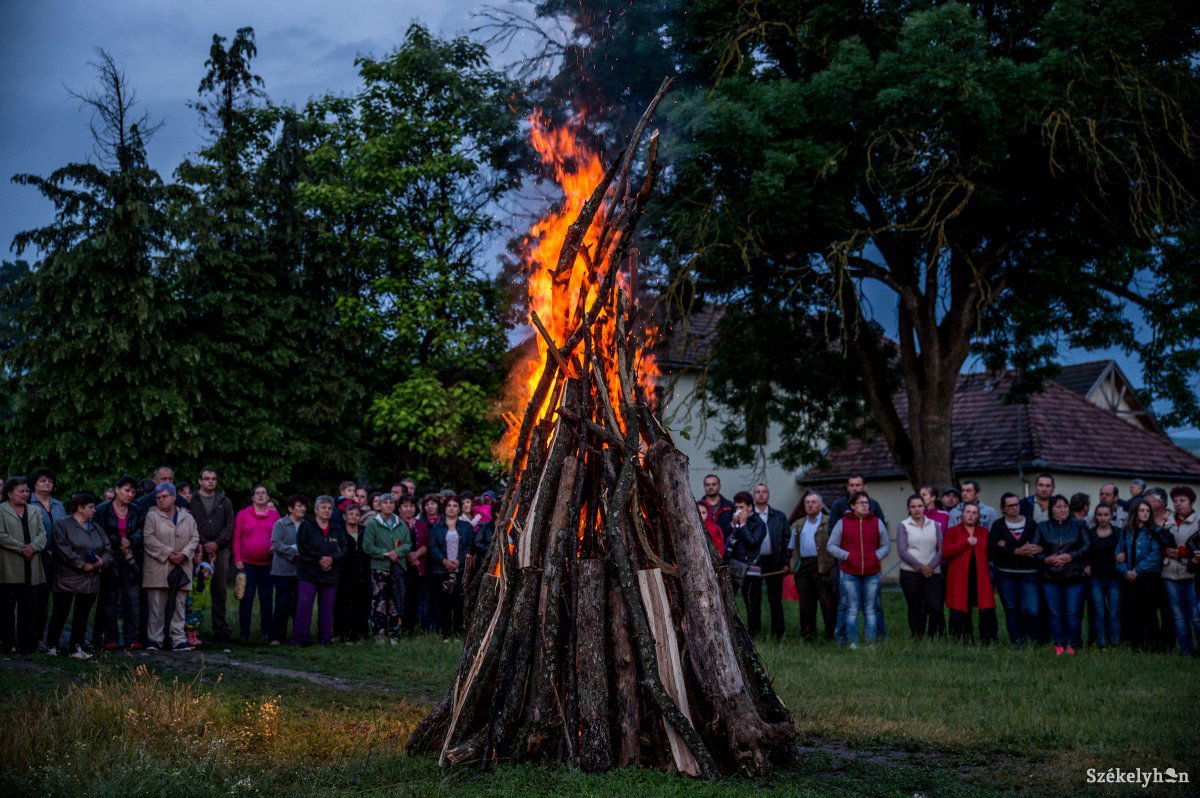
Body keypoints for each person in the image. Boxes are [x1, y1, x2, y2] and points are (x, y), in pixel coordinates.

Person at [45, 493, 111, 658]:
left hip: (90, 579)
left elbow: (108, 549)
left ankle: (76, 647)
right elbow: (62, 548)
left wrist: (99, 562)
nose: (94, 510)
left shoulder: (96, 527)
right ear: (80, 508)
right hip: (66, 577)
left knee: (82, 615)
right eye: (91, 507)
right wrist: (82, 564)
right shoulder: (62, 525)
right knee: (60, 613)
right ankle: (52, 645)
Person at [828, 476, 888, 643]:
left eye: (866, 502)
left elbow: (884, 544)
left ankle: (874, 641)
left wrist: (875, 556)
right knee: (849, 607)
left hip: (872, 570)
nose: (864, 505)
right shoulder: (841, 518)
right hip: (849, 570)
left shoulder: (876, 518)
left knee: (872, 608)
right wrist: (847, 556)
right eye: (860, 503)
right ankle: (847, 640)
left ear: (865, 487)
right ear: (852, 506)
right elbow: (831, 544)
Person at [142, 483, 199, 652]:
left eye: (164, 496)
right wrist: (169, 554)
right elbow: (148, 539)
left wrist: (184, 554)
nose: (160, 500)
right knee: (156, 606)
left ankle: (178, 639)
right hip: (158, 567)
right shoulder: (152, 516)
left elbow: (195, 538)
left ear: (173, 497)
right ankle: (154, 640)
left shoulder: (187, 517)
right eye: (158, 497)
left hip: (182, 566)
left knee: (179, 605)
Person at [1034, 495, 1090, 655]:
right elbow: (1034, 550)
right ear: (1051, 510)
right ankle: (1059, 643)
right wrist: (1046, 559)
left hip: (1074, 576)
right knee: (1055, 613)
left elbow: (1087, 545)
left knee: (1072, 613)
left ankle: (1073, 644)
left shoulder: (1079, 525)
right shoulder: (1042, 527)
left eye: (1065, 506)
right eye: (1058, 507)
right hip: (1050, 577)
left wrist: (1071, 556)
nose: (1063, 509)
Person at [94, 476, 145, 650]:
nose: (130, 494)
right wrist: (118, 540)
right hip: (110, 559)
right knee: (109, 600)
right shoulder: (102, 509)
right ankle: (109, 638)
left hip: (131, 558)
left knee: (132, 600)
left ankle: (132, 639)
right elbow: (99, 531)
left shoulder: (137, 510)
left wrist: (130, 541)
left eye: (133, 492)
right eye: (126, 490)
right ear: (117, 489)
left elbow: (142, 530)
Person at [0, 477, 48, 655]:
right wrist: (22, 548)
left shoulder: (35, 510)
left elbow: (42, 534)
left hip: (31, 565)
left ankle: (26, 644)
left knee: (29, 607)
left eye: (27, 491)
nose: (26, 494)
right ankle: (8, 643)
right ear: (10, 493)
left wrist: (32, 547)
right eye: (21, 491)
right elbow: (1, 535)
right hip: (9, 566)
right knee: (7, 608)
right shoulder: (1, 510)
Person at [989, 492, 1041, 647]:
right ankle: (1017, 641)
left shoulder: (1031, 524)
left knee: (1031, 609)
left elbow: (1037, 546)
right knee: (1011, 609)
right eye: (1010, 505)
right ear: (1003, 508)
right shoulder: (998, 525)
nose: (1014, 508)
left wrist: (1006, 546)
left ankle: (1031, 639)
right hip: (1005, 574)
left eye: (1016, 504)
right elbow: (993, 550)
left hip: (1029, 574)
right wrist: (1016, 551)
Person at [738, 483, 788, 641]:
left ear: (768, 494)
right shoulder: (748, 516)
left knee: (775, 599)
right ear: (754, 496)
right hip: (754, 561)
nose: (761, 494)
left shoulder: (778, 516)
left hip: (773, 561)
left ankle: (778, 633)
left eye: (764, 491)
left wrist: (785, 561)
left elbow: (786, 539)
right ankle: (754, 631)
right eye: (758, 492)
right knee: (753, 598)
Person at [293, 496, 346, 646]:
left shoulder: (337, 528)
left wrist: (331, 559)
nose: (327, 510)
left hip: (330, 574)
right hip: (308, 573)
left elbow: (343, 548)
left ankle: (325, 639)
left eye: (329, 508)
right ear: (316, 510)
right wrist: (320, 559)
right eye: (323, 507)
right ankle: (300, 639)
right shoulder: (306, 526)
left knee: (327, 608)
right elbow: (303, 547)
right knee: (304, 606)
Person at [191, 467, 235, 643]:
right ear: (200, 481)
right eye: (207, 478)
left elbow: (230, 525)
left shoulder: (224, 501)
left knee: (219, 590)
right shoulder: (192, 500)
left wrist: (216, 543)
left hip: (221, 549)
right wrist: (204, 543)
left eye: (213, 479)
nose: (210, 481)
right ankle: (192, 629)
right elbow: (189, 524)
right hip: (197, 548)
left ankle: (221, 630)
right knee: (196, 589)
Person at [787, 491, 837, 641]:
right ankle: (808, 635)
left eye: (813, 502)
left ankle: (831, 634)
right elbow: (792, 548)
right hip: (803, 566)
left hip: (823, 565)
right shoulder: (798, 524)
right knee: (806, 603)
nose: (810, 505)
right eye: (807, 502)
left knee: (827, 601)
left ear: (821, 505)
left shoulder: (829, 522)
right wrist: (792, 565)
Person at [943, 503, 996, 643]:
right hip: (959, 578)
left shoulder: (984, 532)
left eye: (974, 513)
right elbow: (946, 552)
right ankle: (961, 639)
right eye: (968, 512)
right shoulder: (953, 531)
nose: (971, 515)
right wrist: (966, 543)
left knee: (986, 609)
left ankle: (988, 639)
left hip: (980, 576)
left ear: (978, 516)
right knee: (959, 608)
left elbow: (991, 553)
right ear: (962, 515)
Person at [233, 486, 279, 644]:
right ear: (252, 498)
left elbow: (278, 536)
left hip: (268, 563)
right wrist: (238, 559)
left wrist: (275, 547)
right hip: (247, 563)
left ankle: (266, 631)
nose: (260, 495)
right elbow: (236, 537)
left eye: (263, 493)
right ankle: (244, 633)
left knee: (266, 598)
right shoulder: (243, 514)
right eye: (257, 493)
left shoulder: (274, 515)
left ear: (268, 497)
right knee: (247, 597)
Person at [1117, 498, 1165, 649]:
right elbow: (1119, 552)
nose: (1145, 513)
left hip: (1148, 577)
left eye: (1147, 511)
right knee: (1131, 609)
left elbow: (1155, 555)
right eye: (1141, 510)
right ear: (1135, 512)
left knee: (1149, 611)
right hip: (1129, 577)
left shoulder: (1154, 530)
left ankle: (1152, 643)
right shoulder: (1126, 530)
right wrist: (1125, 571)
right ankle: (1134, 643)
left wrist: (1137, 571)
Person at [362, 494, 411, 641]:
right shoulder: (373, 524)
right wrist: (386, 554)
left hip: (397, 568)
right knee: (379, 602)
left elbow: (408, 544)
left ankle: (393, 633)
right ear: (380, 505)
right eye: (385, 502)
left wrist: (397, 552)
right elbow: (367, 546)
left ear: (395, 506)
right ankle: (379, 634)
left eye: (391, 502)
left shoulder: (401, 523)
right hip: (379, 568)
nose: (388, 505)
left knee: (395, 600)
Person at [896, 494, 944, 639]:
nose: (917, 509)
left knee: (935, 606)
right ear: (908, 509)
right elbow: (902, 551)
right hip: (910, 573)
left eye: (919, 506)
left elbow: (942, 548)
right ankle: (917, 637)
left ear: (924, 507)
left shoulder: (934, 524)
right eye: (913, 507)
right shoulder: (903, 525)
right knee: (916, 606)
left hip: (933, 572)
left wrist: (931, 566)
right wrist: (921, 567)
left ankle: (934, 637)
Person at [429, 495, 474, 641]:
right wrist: (445, 561)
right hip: (442, 569)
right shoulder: (436, 527)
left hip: (460, 569)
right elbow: (433, 547)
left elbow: (469, 546)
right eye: (449, 505)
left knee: (459, 602)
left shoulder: (466, 527)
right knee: (444, 602)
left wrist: (459, 561)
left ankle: (459, 632)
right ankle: (446, 633)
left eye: (455, 506)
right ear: (444, 508)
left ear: (459, 509)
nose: (451, 508)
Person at [1161, 486, 1199, 656]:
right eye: (1175, 501)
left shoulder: (1198, 522)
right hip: (1169, 573)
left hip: (1192, 574)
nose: (1178, 504)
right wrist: (1166, 551)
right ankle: (1186, 651)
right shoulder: (1166, 522)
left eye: (1182, 500)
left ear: (1191, 502)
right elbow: (1160, 544)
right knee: (1178, 615)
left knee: (1196, 615)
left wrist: (1183, 553)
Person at [269, 495, 305, 645]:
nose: (303, 509)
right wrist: (294, 552)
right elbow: (276, 544)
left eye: (304, 506)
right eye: (299, 506)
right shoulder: (280, 524)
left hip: (301, 572)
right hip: (282, 571)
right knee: (282, 604)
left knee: (299, 605)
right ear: (290, 508)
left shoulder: (306, 525)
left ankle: (297, 637)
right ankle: (276, 637)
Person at [1086, 503, 1122, 649]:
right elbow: (1085, 552)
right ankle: (1101, 644)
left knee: (1114, 613)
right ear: (1095, 516)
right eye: (1099, 515)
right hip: (1096, 578)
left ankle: (1115, 643)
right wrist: (1086, 565)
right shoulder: (1090, 533)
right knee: (1099, 613)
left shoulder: (1118, 533)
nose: (1102, 518)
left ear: (1111, 516)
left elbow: (1124, 550)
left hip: (1114, 578)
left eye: (1106, 515)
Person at [335, 504, 371, 643]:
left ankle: (361, 634)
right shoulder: (339, 531)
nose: (354, 517)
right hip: (343, 574)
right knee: (344, 604)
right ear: (344, 516)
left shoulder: (365, 531)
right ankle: (345, 634)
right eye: (350, 514)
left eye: (357, 514)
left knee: (361, 604)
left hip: (363, 573)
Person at [397, 494, 427, 635]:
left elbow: (426, 543)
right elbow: (397, 543)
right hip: (402, 566)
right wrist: (409, 556)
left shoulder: (421, 524)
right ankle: (402, 627)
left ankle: (412, 628)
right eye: (405, 506)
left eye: (411, 506)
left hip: (419, 566)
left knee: (415, 598)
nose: (408, 509)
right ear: (399, 508)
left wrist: (416, 555)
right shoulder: (396, 524)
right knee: (402, 598)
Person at [725, 491, 766, 595]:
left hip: (751, 567)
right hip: (735, 566)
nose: (738, 510)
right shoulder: (735, 520)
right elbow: (725, 537)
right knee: (730, 598)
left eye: (741, 507)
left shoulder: (758, 523)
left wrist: (743, 525)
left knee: (751, 601)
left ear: (750, 507)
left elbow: (752, 542)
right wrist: (733, 524)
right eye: (736, 507)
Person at [414, 494, 443, 632]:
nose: (430, 507)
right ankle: (424, 627)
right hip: (424, 564)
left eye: (433, 503)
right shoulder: (420, 522)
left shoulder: (444, 520)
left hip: (441, 564)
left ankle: (437, 626)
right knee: (424, 596)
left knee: (438, 597)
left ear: (438, 505)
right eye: (427, 504)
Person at [698, 474, 735, 545]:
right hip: (703, 545)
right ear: (704, 486)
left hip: (726, 546)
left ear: (719, 486)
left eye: (714, 484)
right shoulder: (697, 507)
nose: (710, 487)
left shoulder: (730, 506)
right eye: (707, 485)